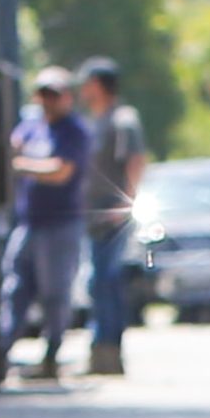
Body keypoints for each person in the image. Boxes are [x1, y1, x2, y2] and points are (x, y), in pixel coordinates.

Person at [0, 65, 93, 381]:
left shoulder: (74, 132)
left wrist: (21, 165)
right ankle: (2, 349)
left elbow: (61, 171)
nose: (48, 101)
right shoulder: (30, 127)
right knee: (15, 287)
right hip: (28, 222)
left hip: (61, 225)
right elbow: (10, 146)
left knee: (55, 293)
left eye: (55, 94)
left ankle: (52, 353)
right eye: (43, 94)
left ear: (68, 97)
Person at [77, 57, 147, 377]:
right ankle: (99, 349)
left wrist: (128, 204)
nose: (83, 89)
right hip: (93, 218)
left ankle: (109, 351)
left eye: (87, 82)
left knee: (107, 281)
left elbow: (135, 161)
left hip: (114, 218)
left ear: (100, 84)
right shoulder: (96, 120)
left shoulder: (123, 119)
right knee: (97, 283)